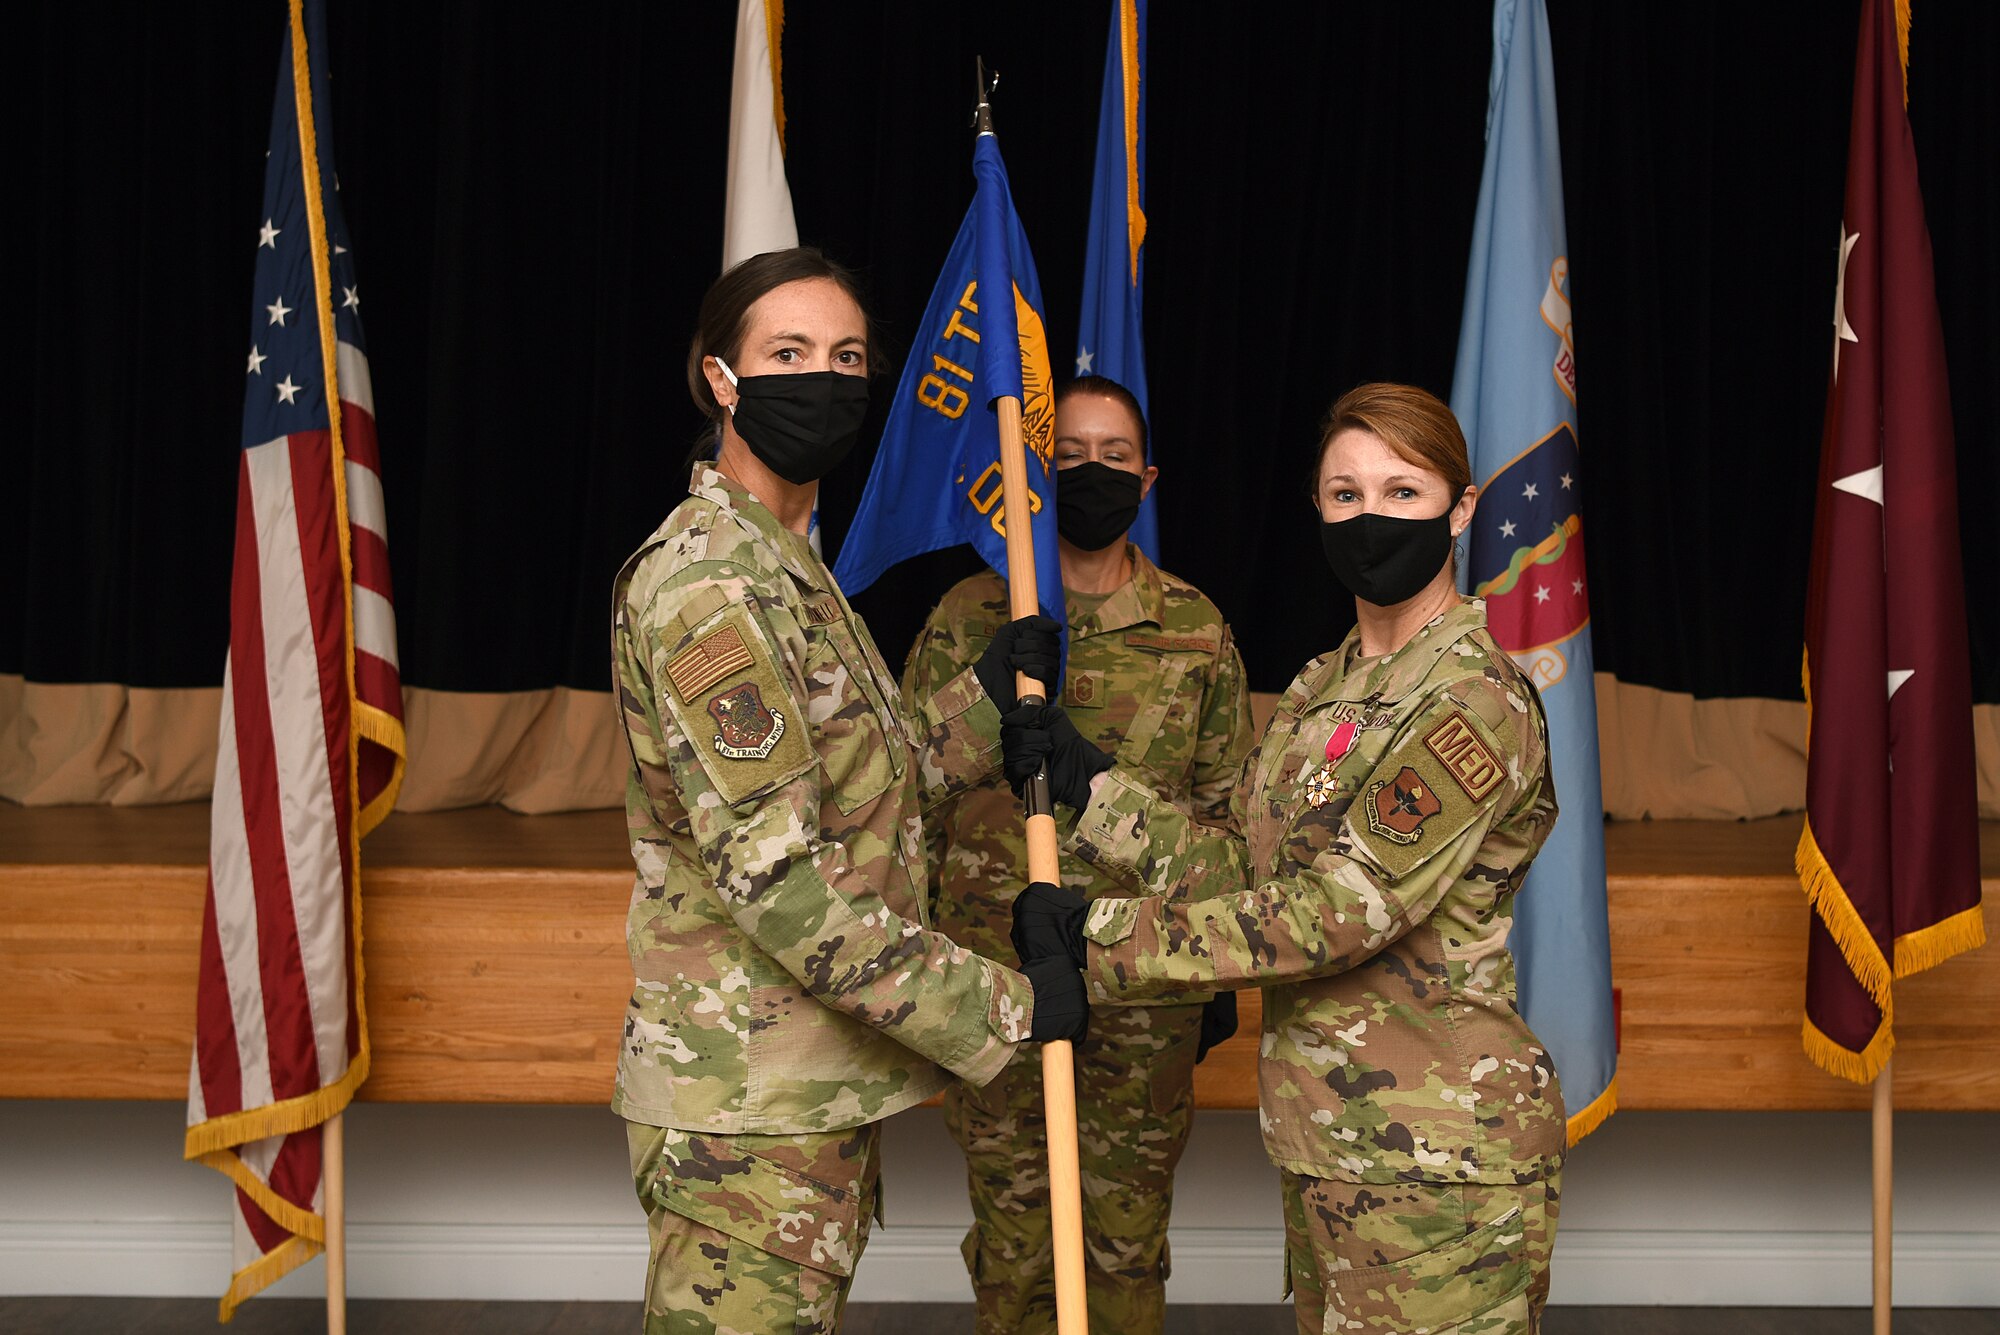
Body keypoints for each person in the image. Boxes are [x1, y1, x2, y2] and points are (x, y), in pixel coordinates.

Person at [1005, 382, 1566, 1335]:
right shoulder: (1328, 680)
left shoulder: (1473, 697)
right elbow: (1262, 879)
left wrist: (1096, 938)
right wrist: (1092, 788)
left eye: (1402, 491)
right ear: (1317, 509)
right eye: (1345, 495)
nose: (1370, 516)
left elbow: (1336, 913)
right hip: (1336, 1140)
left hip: (1437, 1158)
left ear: (1461, 508)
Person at [610, 247, 1087, 1335]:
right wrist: (1009, 1009)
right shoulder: (709, 585)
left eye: (846, 357)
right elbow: (782, 884)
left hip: (798, 1088)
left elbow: (858, 787)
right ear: (720, 380)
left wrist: (986, 703)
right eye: (787, 353)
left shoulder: (782, 565)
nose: (821, 380)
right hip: (746, 1106)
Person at [901, 376, 1253, 1335]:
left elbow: (1230, 822)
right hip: (993, 979)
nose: (1092, 474)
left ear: (1147, 478)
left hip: (1143, 990)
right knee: (1014, 1244)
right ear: (1034, 478)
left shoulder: (1195, 629)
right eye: (1069, 459)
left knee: (1124, 1244)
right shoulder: (968, 616)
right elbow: (898, 799)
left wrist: (1215, 965)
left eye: (1113, 457)